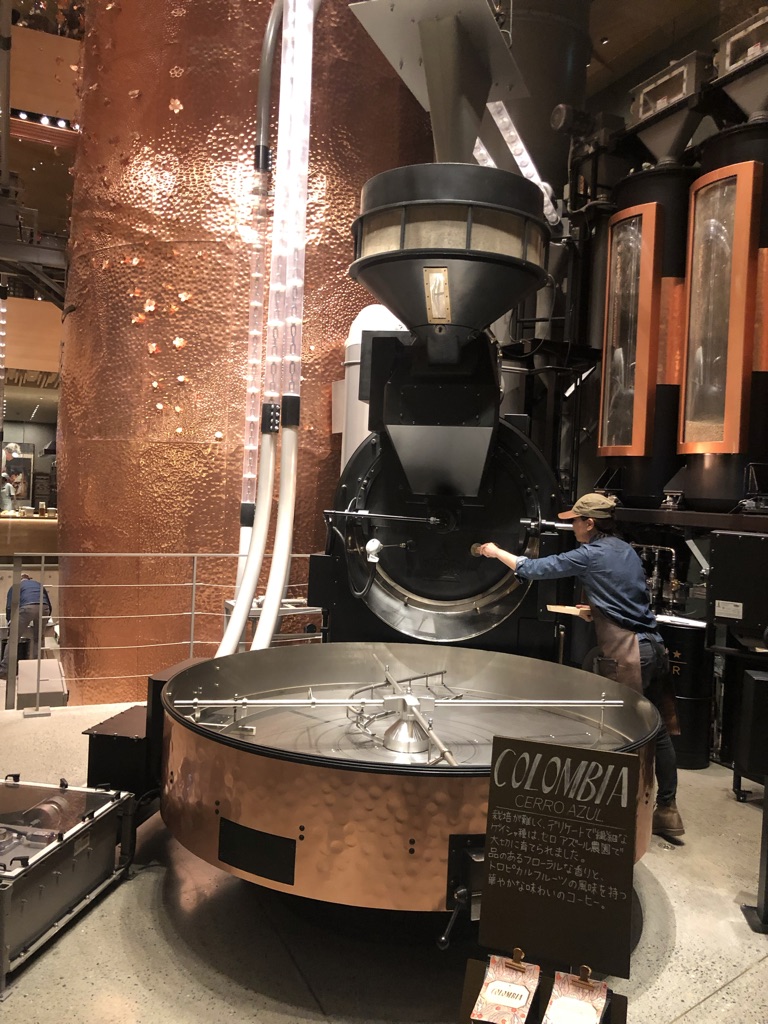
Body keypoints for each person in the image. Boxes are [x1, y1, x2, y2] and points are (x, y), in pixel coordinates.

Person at [476, 492, 684, 839]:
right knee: (657, 730)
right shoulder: (625, 550)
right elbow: (627, 597)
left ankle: (618, 819)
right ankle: (667, 808)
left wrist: (495, 551)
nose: (572, 525)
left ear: (590, 523)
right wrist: (597, 612)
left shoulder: (590, 554)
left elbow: (533, 569)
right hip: (654, 646)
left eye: (575, 520)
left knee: (621, 735)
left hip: (630, 653)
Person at [0, 573, 53, 678]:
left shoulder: (16, 585)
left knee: (13, 639)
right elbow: (48, 602)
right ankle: (37, 667)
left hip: (27, 608)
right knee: (39, 638)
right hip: (44, 608)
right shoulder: (38, 584)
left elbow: (10, 605)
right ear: (29, 578)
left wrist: (10, 621)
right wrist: (47, 618)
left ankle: (4, 670)